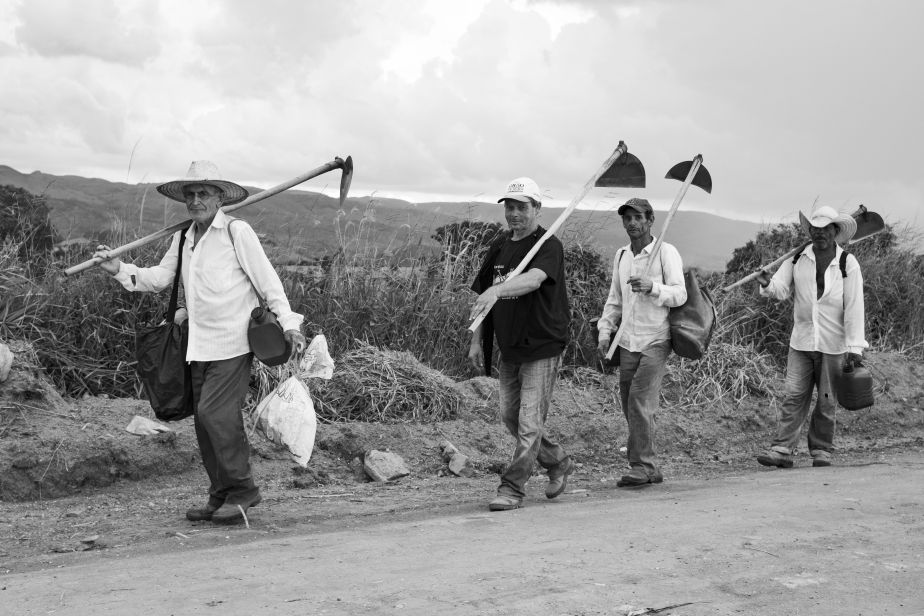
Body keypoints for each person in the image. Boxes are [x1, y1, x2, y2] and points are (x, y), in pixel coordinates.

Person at [93, 161, 306, 524]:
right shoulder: (184, 237)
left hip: (234, 343)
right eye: (190, 195)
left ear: (220, 197)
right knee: (203, 423)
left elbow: (269, 282)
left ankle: (242, 490)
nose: (195, 200)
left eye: (203, 193)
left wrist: (289, 323)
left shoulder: (237, 232)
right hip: (196, 344)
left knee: (215, 414)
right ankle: (219, 494)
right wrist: (119, 270)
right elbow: (161, 278)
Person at [468, 177, 573, 511]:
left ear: (537, 208)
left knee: (529, 423)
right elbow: (482, 296)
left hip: (542, 344)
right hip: (509, 345)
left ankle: (512, 487)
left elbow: (534, 280)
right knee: (509, 416)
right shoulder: (500, 247)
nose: (514, 213)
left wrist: (499, 290)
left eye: (521, 207)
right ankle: (557, 461)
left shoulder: (548, 245)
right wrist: (475, 339)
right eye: (509, 207)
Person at [754, 205, 866, 468]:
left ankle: (821, 449)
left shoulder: (847, 263)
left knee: (827, 400)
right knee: (794, 395)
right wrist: (766, 282)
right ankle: (782, 449)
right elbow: (781, 290)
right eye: (815, 229)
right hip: (802, 339)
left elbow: (854, 306)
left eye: (825, 229)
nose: (820, 234)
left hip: (834, 343)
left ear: (835, 231)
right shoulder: (796, 259)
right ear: (810, 231)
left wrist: (855, 346)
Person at [596, 198, 686, 487]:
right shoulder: (622, 256)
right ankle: (650, 466)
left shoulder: (665, 252)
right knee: (629, 403)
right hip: (627, 340)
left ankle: (641, 465)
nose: (633, 223)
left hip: (657, 337)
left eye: (638, 217)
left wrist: (653, 287)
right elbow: (615, 298)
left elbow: (680, 294)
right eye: (628, 218)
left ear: (650, 221)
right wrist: (604, 331)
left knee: (638, 399)